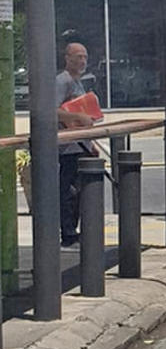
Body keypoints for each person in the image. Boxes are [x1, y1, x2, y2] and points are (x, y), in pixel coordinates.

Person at [56, 42, 95, 247]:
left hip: (81, 144)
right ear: (67, 58)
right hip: (68, 146)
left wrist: (92, 142)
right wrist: (78, 116)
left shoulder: (78, 82)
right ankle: (68, 232)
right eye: (78, 56)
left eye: (85, 57)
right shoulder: (62, 82)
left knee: (79, 190)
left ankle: (74, 230)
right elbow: (53, 110)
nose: (82, 61)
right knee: (69, 190)